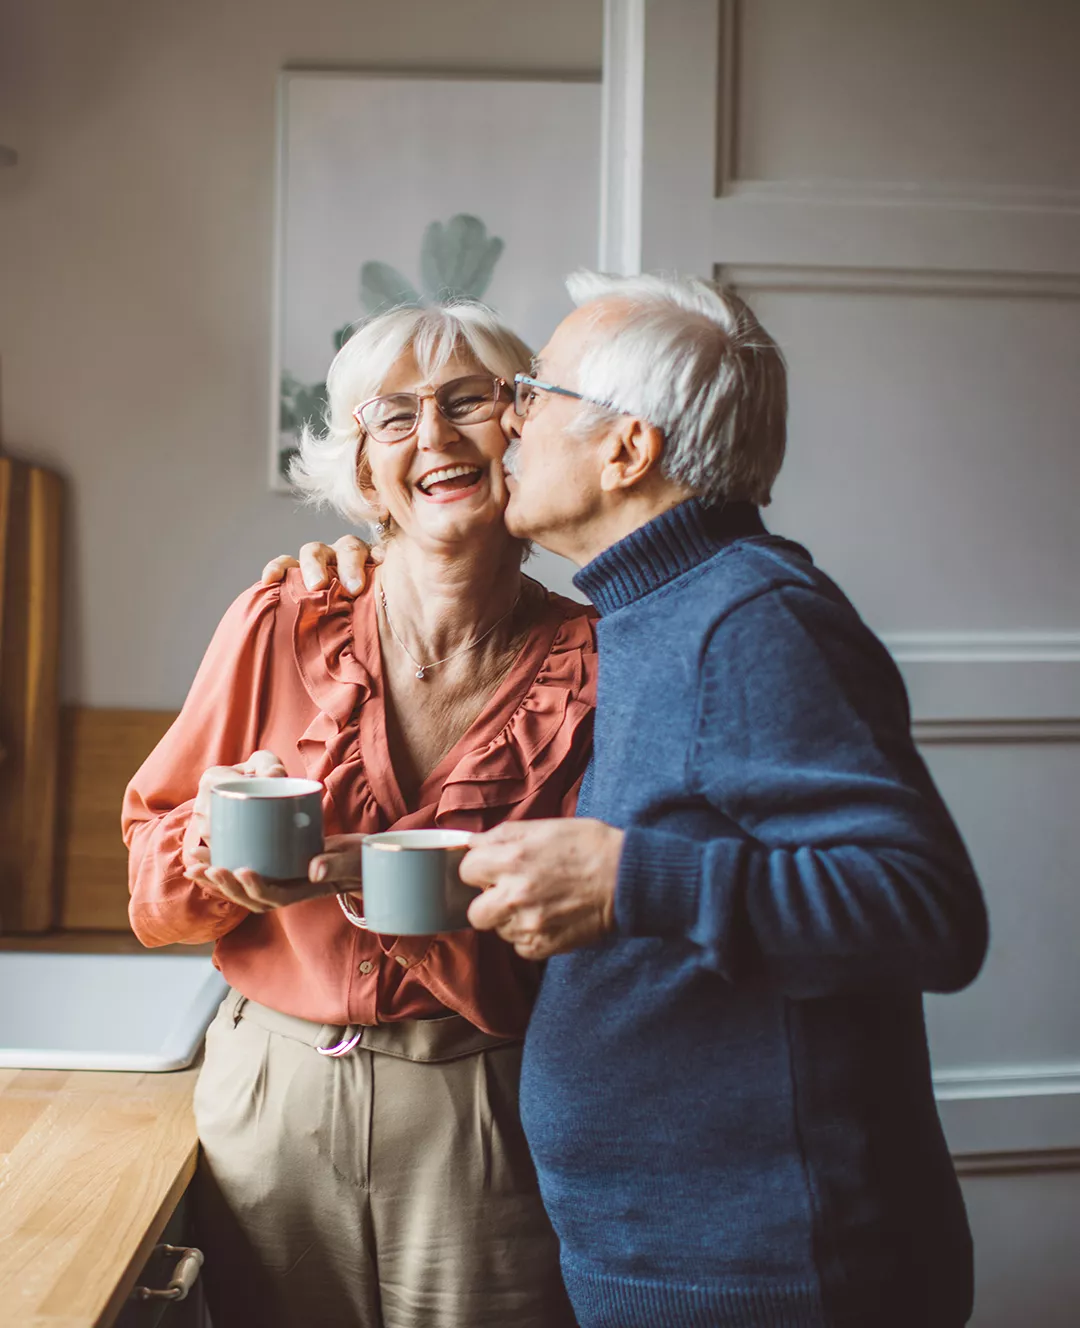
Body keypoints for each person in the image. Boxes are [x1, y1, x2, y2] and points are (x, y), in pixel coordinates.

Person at [285, 271, 989, 1328]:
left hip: (769, 1273)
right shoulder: (650, 609)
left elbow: (929, 913)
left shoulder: (750, 616)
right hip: (684, 1255)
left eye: (535, 393)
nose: (508, 419)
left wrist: (627, 878)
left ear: (627, 449)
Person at [122, 301, 596, 1328]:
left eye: (469, 400)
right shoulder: (279, 617)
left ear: (522, 428)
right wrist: (214, 858)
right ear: (365, 470)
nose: (433, 435)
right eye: (394, 416)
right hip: (272, 1095)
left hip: (485, 1100)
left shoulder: (600, 666)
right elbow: (148, 883)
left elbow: (605, 933)